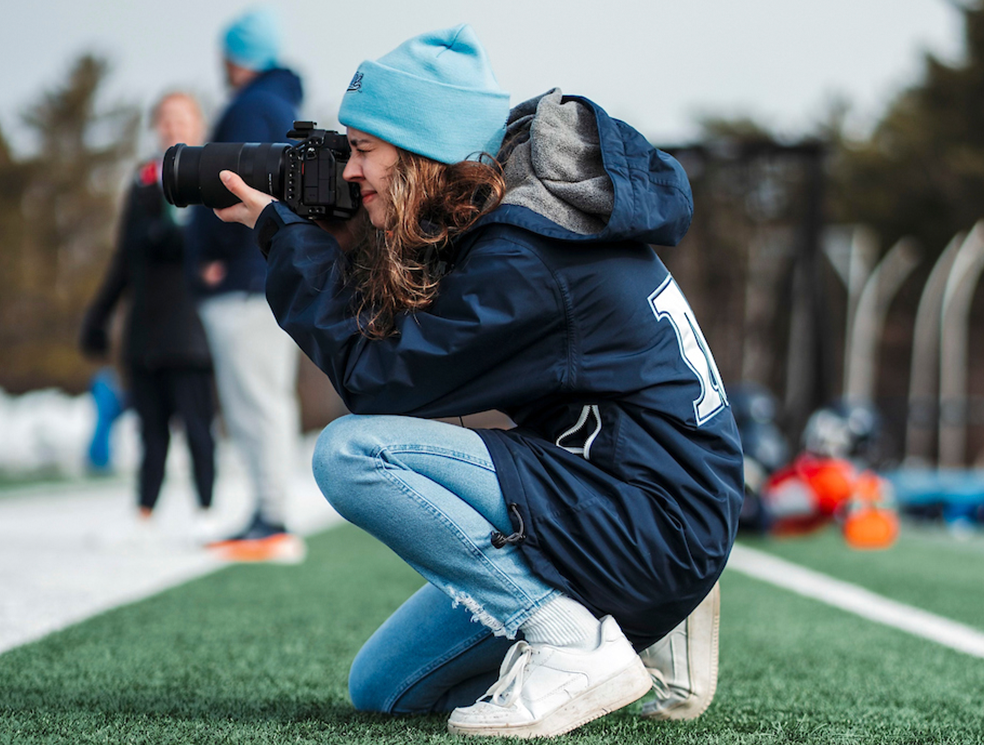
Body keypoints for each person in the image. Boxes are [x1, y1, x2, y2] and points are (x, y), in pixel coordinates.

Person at [215, 24, 743, 738]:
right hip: (647, 496)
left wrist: (288, 243)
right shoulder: (526, 219)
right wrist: (340, 243)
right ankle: (649, 621)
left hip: (650, 515)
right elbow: (411, 337)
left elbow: (380, 379)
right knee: (385, 689)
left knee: (353, 452)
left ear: (425, 151)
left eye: (365, 149)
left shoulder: (525, 253)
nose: (347, 172)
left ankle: (571, 639)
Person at [184, 7, 305, 562]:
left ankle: (272, 518)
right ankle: (266, 512)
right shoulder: (276, 103)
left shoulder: (253, 107)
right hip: (260, 275)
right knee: (262, 402)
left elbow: (242, 183)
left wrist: (217, 255)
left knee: (257, 403)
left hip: (245, 282)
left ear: (236, 57)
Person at [80, 92, 216, 527]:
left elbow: (222, 249)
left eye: (182, 119)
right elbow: (123, 259)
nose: (173, 127)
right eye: (166, 120)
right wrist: (98, 316)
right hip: (145, 328)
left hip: (192, 327)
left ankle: (206, 508)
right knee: (150, 429)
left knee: (197, 427)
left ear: (197, 126)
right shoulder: (141, 180)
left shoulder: (213, 176)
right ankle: (145, 509)